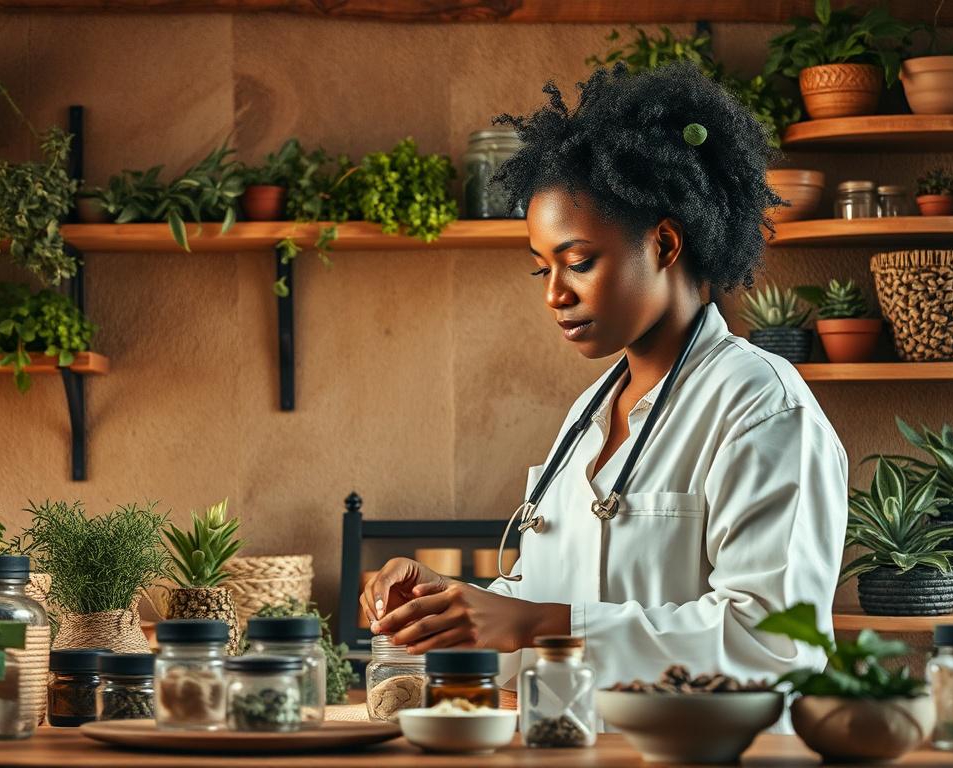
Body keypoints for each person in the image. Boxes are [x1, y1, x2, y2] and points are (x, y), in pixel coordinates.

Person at [360, 62, 848, 713]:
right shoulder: (587, 417)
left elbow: (778, 644)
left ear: (666, 244)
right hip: (567, 745)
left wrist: (541, 623)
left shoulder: (761, 407)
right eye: (542, 271)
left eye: (579, 261)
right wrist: (448, 601)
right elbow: (544, 593)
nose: (556, 295)